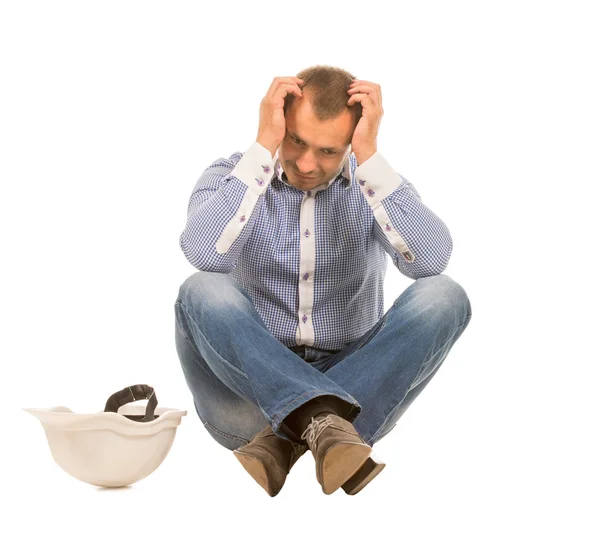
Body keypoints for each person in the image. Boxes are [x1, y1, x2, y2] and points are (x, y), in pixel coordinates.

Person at [174, 64, 472, 497]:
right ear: (279, 125)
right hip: (248, 397)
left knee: (445, 297)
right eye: (296, 141)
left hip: (356, 385)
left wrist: (369, 157)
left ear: (351, 143)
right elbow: (202, 254)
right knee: (201, 290)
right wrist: (263, 148)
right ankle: (320, 425)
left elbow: (430, 263)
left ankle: (286, 439)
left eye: (329, 151)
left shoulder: (377, 187)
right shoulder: (231, 177)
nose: (308, 164)